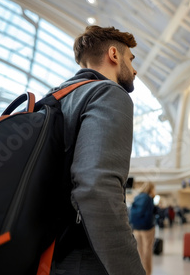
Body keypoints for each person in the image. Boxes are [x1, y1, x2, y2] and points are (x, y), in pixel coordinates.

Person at [49, 26, 145, 274]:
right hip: (82, 255)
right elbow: (97, 187)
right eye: (130, 59)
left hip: (49, 252)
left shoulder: (55, 98)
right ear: (114, 54)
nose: (134, 70)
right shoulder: (108, 93)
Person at [130, 183, 156, 275]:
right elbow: (150, 214)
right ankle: (147, 272)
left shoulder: (137, 197)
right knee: (147, 251)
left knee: (139, 251)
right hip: (147, 228)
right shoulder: (149, 198)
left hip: (136, 228)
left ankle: (139, 272)